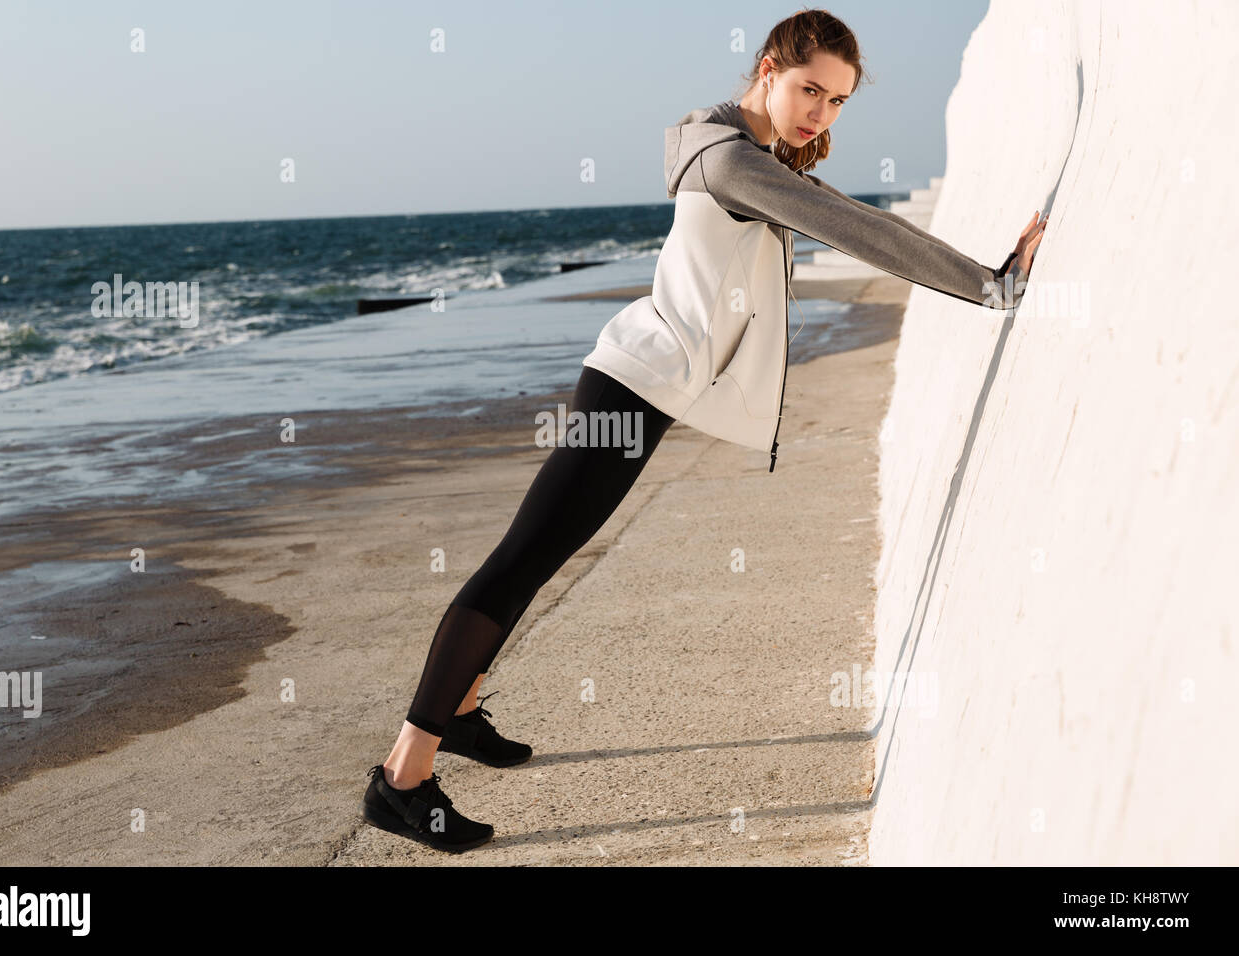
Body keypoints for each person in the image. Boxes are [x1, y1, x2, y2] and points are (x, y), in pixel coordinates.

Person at [361, 7, 1048, 853]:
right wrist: (989, 284)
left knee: (537, 558)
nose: (820, 113)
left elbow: (843, 211)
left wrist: (984, 275)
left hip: (642, 379)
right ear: (769, 69)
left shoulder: (738, 149)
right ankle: (403, 778)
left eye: (837, 101)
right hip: (629, 390)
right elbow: (859, 229)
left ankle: (461, 713)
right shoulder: (733, 163)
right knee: (520, 563)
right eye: (810, 90)